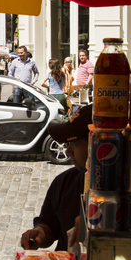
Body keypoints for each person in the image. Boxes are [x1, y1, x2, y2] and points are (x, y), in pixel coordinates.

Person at [20, 104, 91, 252]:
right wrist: (40, 233)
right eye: (68, 143)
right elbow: (50, 225)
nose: (68, 150)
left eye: (76, 143)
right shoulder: (64, 182)